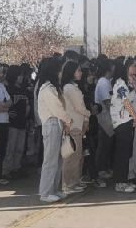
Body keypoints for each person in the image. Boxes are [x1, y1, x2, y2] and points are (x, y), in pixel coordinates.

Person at [36, 57, 73, 203]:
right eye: (59, 70)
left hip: (57, 124)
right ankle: (45, 192)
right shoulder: (47, 89)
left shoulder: (52, 88)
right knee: (50, 160)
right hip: (51, 124)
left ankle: (53, 189)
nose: (61, 73)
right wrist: (67, 120)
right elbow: (57, 108)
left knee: (57, 160)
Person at [110, 59, 136, 193]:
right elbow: (126, 102)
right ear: (126, 67)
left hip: (128, 121)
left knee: (126, 152)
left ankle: (124, 179)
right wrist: (135, 116)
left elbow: (133, 102)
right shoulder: (120, 84)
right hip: (122, 121)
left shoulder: (129, 83)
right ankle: (119, 182)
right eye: (133, 66)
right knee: (122, 153)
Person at [60, 60, 89, 194]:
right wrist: (88, 114)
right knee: (71, 156)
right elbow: (79, 107)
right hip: (72, 126)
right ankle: (67, 183)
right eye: (78, 70)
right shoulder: (69, 88)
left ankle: (75, 181)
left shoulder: (73, 87)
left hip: (77, 124)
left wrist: (86, 119)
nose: (80, 73)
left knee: (77, 156)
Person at [93, 61, 114, 186]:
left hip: (107, 118)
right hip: (105, 118)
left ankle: (104, 167)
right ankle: (101, 169)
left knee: (107, 144)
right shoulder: (104, 82)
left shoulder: (106, 82)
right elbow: (108, 102)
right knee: (104, 144)